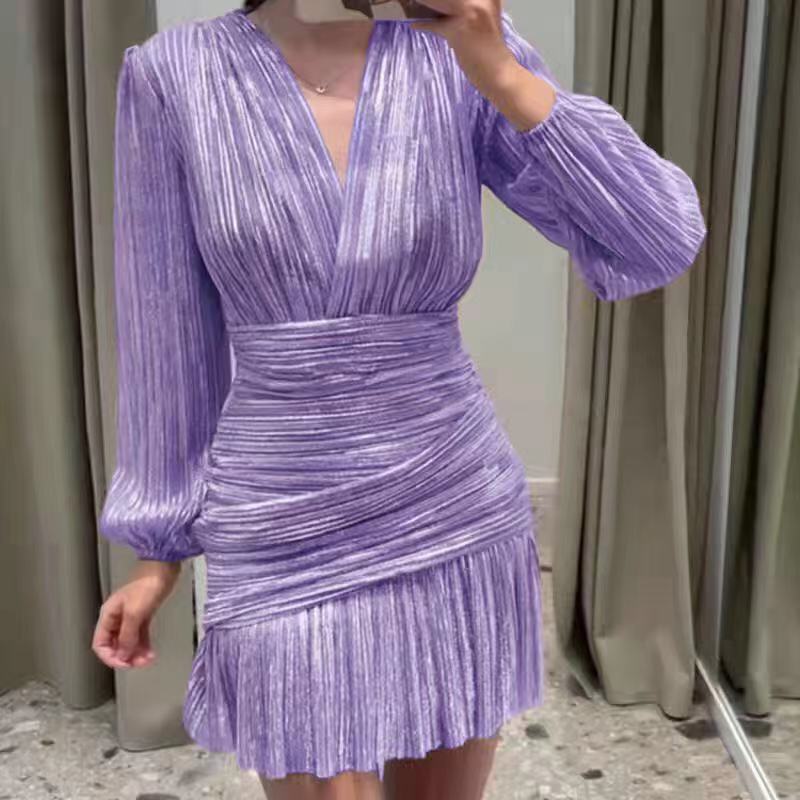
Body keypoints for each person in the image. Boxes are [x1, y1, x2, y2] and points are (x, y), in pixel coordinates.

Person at [92, 0, 708, 798]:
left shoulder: (454, 52)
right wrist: (159, 545)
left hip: (449, 499)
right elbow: (165, 323)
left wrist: (499, 71)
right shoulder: (173, 75)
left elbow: (654, 236)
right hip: (281, 514)